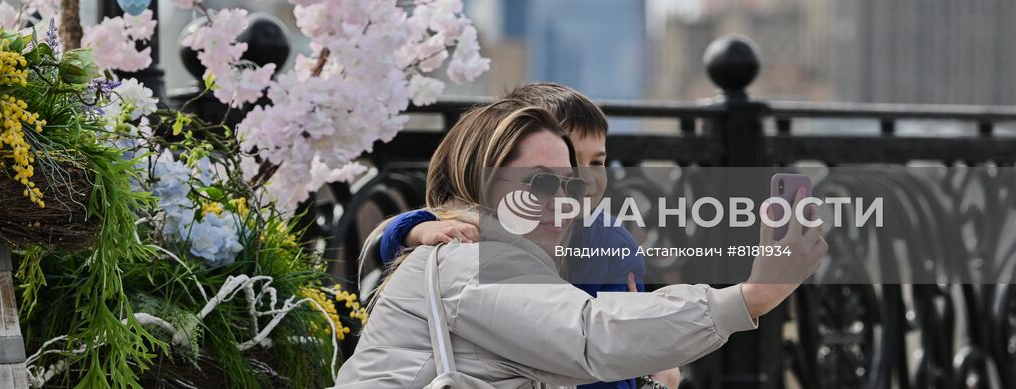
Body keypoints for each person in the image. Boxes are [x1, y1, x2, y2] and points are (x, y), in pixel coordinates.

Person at [332, 100, 827, 388]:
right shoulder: (470, 259)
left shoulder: (532, 257)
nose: (563, 200)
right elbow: (590, 334)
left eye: (569, 184)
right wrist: (752, 296)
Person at [376, 83, 676, 389]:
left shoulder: (610, 245)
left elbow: (619, 348)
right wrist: (419, 230)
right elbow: (396, 251)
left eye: (596, 163)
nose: (583, 178)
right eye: (567, 162)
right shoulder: (487, 228)